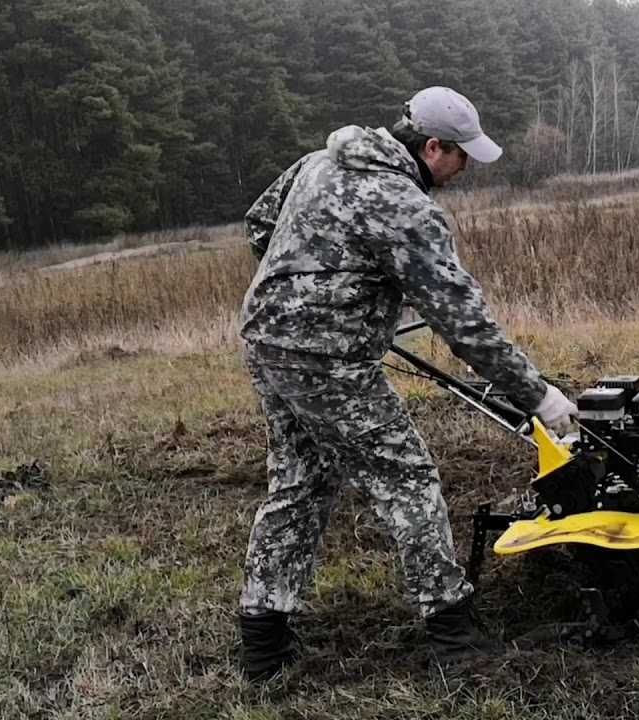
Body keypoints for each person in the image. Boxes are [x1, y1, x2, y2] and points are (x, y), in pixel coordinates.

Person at [236, 86, 578, 681]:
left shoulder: (319, 163)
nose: (466, 168)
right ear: (432, 145)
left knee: (300, 482)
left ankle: (262, 643)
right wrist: (539, 396)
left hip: (268, 340)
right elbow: (464, 324)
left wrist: (319, 289)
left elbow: (260, 223)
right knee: (408, 475)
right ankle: (452, 631)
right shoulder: (403, 206)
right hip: (328, 360)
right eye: (461, 156)